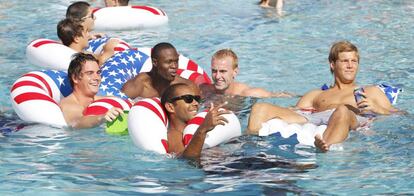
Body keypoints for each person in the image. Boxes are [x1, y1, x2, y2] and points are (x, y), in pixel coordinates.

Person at [247, 40, 398, 152]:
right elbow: (295, 111)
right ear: (332, 64)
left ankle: (326, 148)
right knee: (260, 108)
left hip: (348, 119)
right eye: (345, 61)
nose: (350, 66)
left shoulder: (369, 91)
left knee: (342, 110)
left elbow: (400, 116)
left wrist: (378, 109)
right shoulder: (317, 94)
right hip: (315, 118)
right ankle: (250, 146)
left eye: (354, 61)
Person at [161, 83, 230, 162]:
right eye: (188, 99)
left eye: (197, 99)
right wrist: (203, 129)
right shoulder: (174, 135)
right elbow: (185, 160)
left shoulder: (194, 128)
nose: (196, 103)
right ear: (170, 107)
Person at [60, 53, 124, 129]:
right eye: (90, 73)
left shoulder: (105, 99)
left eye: (98, 73)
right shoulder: (69, 105)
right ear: (75, 78)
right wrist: (102, 117)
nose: (97, 78)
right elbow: (76, 123)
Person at [200, 49, 293, 98]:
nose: (217, 76)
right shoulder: (205, 91)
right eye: (214, 71)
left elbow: (278, 96)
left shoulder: (247, 93)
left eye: (223, 71)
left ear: (235, 72)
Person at [121, 42, 194, 99]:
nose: (174, 66)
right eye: (169, 62)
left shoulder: (184, 85)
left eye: (176, 61)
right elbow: (121, 105)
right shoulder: (138, 85)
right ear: (155, 62)